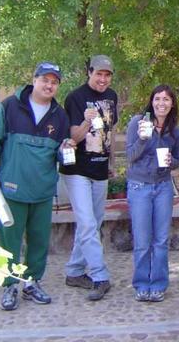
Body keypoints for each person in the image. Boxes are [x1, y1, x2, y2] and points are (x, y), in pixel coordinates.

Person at [0, 62, 72, 311]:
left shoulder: (60, 116)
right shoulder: (10, 106)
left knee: (39, 241)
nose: (49, 85)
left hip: (42, 192)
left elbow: (61, 155)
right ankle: (9, 286)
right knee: (8, 242)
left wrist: (66, 151)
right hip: (11, 189)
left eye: (54, 81)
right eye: (45, 80)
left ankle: (32, 283)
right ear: (34, 80)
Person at [60, 55, 118, 301]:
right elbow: (73, 136)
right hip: (77, 171)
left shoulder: (112, 97)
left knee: (93, 223)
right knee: (86, 224)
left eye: (107, 75)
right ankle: (99, 276)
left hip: (100, 169)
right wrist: (86, 120)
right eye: (99, 74)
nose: (103, 79)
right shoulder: (75, 97)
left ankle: (74, 272)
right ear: (90, 73)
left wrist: (112, 162)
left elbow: (109, 131)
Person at [125, 85, 179, 303]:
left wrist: (172, 162)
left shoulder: (174, 131)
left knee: (161, 240)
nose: (162, 103)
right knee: (142, 240)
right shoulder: (137, 123)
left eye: (167, 99)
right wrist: (142, 138)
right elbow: (130, 156)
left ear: (172, 104)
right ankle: (141, 284)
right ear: (152, 101)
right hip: (139, 186)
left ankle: (158, 284)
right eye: (158, 99)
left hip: (163, 187)